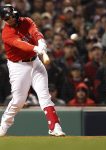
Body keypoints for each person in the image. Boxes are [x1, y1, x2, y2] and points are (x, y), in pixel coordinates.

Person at [0, 4, 65, 136]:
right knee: (19, 101)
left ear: (15, 14)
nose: (9, 20)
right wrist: (36, 48)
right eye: (6, 19)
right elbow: (20, 44)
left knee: (44, 96)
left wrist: (41, 43)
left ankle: (55, 126)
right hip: (18, 66)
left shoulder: (27, 21)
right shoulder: (6, 33)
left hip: (35, 62)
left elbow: (36, 33)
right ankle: (4, 125)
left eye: (10, 17)